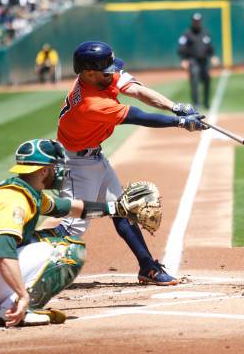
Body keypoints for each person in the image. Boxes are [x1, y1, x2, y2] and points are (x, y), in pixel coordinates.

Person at [56, 41, 207, 286]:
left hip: (94, 157)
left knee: (122, 209)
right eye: (107, 71)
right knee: (74, 226)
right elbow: (138, 116)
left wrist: (175, 107)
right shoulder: (90, 103)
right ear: (89, 73)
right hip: (76, 166)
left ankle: (148, 267)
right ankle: (21, 260)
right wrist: (179, 123)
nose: (113, 74)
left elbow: (137, 90)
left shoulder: (101, 76)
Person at [0, 139, 130, 327]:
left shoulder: (25, 191)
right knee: (67, 251)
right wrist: (22, 295)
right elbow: (4, 252)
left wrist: (115, 208)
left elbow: (70, 208)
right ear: (44, 170)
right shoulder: (15, 201)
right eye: (56, 166)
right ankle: (16, 307)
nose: (60, 171)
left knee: (43, 238)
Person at [177, 13, 219, 109]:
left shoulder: (205, 32)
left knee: (207, 80)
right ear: (192, 22)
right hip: (193, 60)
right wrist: (183, 59)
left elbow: (210, 46)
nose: (197, 23)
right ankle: (196, 103)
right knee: (194, 81)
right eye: (195, 21)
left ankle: (206, 102)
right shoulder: (187, 33)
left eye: (198, 21)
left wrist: (213, 56)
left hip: (204, 61)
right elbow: (181, 47)